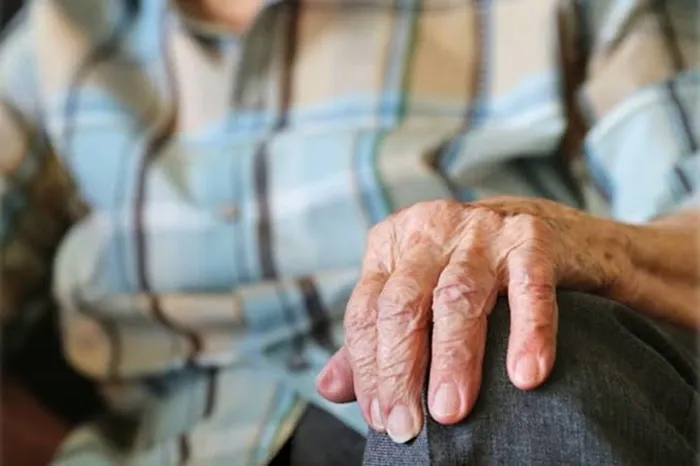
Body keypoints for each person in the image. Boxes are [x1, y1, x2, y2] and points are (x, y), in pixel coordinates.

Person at [0, 0, 698, 464]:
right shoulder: (57, 39)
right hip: (160, 445)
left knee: (492, 341)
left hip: (452, 430)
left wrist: (584, 248)